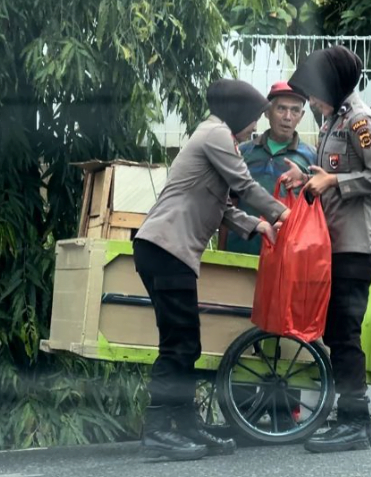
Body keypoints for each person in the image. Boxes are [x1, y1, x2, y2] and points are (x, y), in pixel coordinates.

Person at [132, 79, 291, 461]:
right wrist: (283, 212)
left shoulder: (213, 134)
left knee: (185, 341)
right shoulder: (216, 135)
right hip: (166, 249)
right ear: (238, 113)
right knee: (179, 343)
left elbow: (221, 203)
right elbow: (245, 184)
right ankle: (157, 431)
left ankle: (185, 425)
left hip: (165, 250)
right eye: (254, 118)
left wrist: (258, 225)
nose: (256, 125)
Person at [282, 45, 371, 453]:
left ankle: (354, 420)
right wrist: (311, 176)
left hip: (357, 243)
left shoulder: (360, 121)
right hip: (339, 243)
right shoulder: (334, 120)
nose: (309, 101)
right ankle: (355, 420)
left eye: (313, 92)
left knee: (343, 333)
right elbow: (334, 169)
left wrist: (334, 182)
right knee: (337, 331)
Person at [224, 81, 316, 255]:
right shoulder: (243, 152)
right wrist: (222, 251)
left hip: (286, 254)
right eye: (281, 108)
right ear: (267, 112)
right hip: (241, 250)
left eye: (295, 110)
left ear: (301, 116)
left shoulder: (311, 157)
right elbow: (229, 203)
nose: (288, 117)